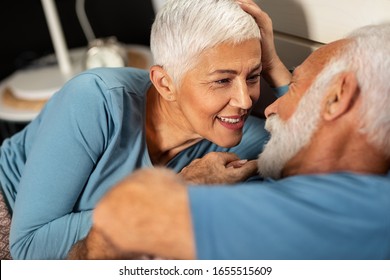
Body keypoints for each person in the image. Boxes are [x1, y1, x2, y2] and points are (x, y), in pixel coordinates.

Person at [68, 10, 390, 259]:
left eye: (292, 86)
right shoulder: (374, 199)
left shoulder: (300, 211)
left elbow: (125, 215)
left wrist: (186, 186)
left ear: (336, 97)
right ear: (164, 83)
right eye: (223, 80)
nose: (261, 107)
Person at [0, 0, 291, 259]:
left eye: (253, 77)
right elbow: (29, 250)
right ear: (165, 84)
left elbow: (319, 160)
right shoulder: (95, 99)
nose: (244, 100)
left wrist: (273, 65)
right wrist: (178, 191)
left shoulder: (244, 139)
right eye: (222, 81)